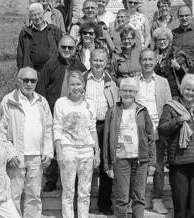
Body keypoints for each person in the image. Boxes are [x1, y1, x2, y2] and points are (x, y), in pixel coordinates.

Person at [0, 67, 54, 218]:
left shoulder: (42, 101)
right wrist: (10, 154)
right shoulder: (8, 100)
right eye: (26, 80)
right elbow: (1, 131)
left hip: (37, 157)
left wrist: (48, 152)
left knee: (34, 196)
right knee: (13, 195)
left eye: (33, 80)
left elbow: (49, 129)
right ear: (18, 81)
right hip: (17, 156)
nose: (29, 83)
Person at [36, 35, 87, 192]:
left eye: (70, 47)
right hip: (53, 113)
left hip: (74, 115)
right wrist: (44, 112)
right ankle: (51, 179)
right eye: (63, 47)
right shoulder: (50, 65)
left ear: (75, 49)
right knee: (52, 146)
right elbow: (41, 90)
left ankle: (76, 179)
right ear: (58, 47)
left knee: (73, 147)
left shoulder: (80, 67)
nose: (66, 50)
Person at [103, 77, 156, 218]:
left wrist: (152, 161)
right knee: (121, 198)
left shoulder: (142, 111)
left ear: (135, 92)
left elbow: (151, 137)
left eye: (131, 90)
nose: (128, 93)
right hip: (121, 160)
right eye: (125, 90)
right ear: (119, 92)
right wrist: (108, 165)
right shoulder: (112, 111)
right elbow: (106, 141)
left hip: (140, 161)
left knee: (139, 197)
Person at [158, 74, 194, 218]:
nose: (190, 93)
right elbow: (162, 129)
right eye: (187, 89)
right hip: (179, 160)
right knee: (180, 202)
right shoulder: (171, 106)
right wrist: (178, 120)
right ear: (181, 89)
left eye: (193, 90)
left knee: (193, 203)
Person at [53, 70, 100, 218]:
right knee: (68, 192)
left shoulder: (90, 104)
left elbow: (92, 129)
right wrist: (58, 152)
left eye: (78, 83)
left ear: (84, 84)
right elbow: (57, 128)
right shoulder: (60, 103)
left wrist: (96, 152)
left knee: (84, 192)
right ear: (68, 86)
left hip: (86, 151)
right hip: (68, 151)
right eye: (72, 84)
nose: (75, 87)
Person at [83, 49, 118, 215]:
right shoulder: (82, 78)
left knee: (106, 164)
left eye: (101, 61)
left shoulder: (112, 81)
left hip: (105, 126)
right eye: (95, 60)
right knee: (84, 164)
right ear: (90, 60)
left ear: (106, 62)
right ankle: (83, 201)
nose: (98, 63)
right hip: (85, 127)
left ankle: (104, 203)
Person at [137, 49, 172, 214]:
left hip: (157, 130)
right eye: (144, 59)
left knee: (158, 167)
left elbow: (168, 106)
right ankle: (138, 198)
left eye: (151, 59)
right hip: (139, 130)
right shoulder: (133, 81)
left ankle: (157, 198)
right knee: (139, 165)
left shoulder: (163, 82)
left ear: (155, 61)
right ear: (140, 61)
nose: (148, 62)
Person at [17, 3, 63, 72]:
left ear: (43, 14)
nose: (37, 17)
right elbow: (20, 56)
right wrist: (21, 73)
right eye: (34, 15)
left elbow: (62, 50)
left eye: (39, 14)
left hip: (52, 72)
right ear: (30, 17)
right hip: (33, 73)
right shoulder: (25, 33)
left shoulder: (55, 31)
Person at [172, 5, 194, 74]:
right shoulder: (173, 33)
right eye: (181, 16)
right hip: (176, 72)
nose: (184, 18)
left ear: (191, 16)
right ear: (178, 17)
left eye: (186, 15)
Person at [153, 27, 185, 97]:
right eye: (159, 40)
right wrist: (157, 64)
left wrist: (179, 68)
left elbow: (186, 76)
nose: (161, 42)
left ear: (169, 39)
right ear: (156, 41)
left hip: (175, 92)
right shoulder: (153, 55)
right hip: (158, 91)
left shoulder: (176, 53)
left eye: (164, 39)